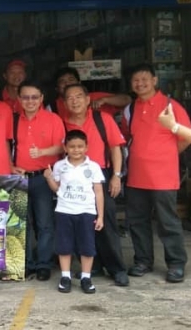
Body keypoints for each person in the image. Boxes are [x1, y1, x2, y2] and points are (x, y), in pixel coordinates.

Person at [121, 64, 190, 283]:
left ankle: (176, 264)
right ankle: (143, 261)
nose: (140, 84)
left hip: (163, 177)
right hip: (136, 176)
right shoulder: (130, 109)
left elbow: (187, 137)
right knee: (137, 221)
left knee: (167, 222)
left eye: (144, 79)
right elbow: (126, 137)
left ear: (154, 80)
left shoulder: (170, 106)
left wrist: (167, 155)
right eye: (135, 80)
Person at [60, 83, 129, 286]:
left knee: (105, 221)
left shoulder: (102, 118)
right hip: (73, 178)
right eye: (70, 98)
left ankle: (117, 269)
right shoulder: (62, 123)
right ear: (64, 103)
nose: (75, 101)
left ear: (88, 99)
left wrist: (116, 176)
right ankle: (94, 266)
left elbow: (115, 149)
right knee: (82, 224)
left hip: (100, 176)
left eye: (78, 96)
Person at [11, 82, 65, 282]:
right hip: (19, 178)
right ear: (19, 99)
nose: (30, 101)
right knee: (21, 224)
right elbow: (6, 146)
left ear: (42, 98)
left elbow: (62, 147)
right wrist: (10, 166)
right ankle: (25, 264)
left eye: (34, 97)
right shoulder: (13, 120)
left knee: (45, 224)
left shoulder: (53, 119)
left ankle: (43, 264)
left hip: (44, 177)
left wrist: (42, 152)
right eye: (25, 97)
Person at [44, 130, 105, 294]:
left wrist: (100, 216)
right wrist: (49, 178)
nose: (76, 150)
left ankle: (86, 277)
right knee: (64, 245)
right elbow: (57, 189)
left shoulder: (93, 167)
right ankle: (65, 277)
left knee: (87, 246)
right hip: (64, 211)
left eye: (80, 146)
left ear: (86, 147)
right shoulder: (60, 166)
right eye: (72, 146)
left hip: (86, 211)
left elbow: (98, 192)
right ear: (65, 148)